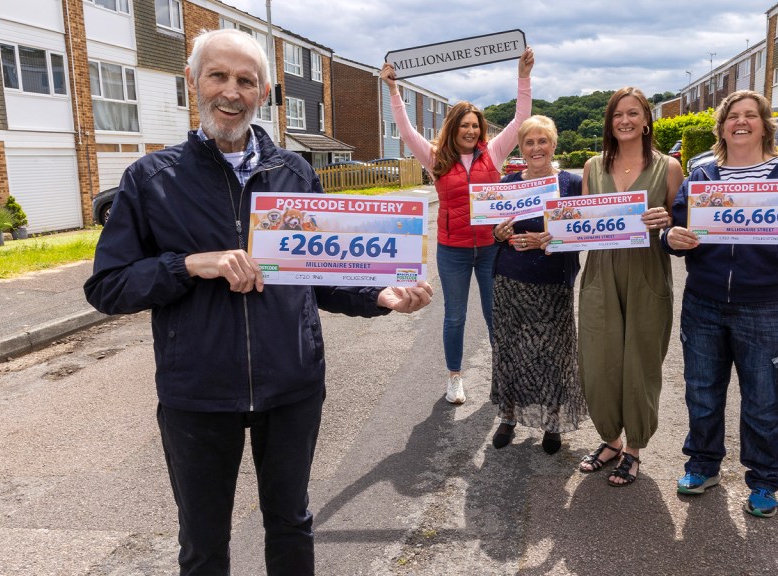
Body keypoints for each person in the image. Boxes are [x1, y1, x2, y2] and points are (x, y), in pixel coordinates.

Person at [83, 29, 433, 575]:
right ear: (192, 82)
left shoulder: (294, 173)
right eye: (218, 76)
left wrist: (379, 295)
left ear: (264, 92)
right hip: (197, 393)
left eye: (246, 81)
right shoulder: (151, 180)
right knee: (203, 544)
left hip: (291, 387)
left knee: (291, 525)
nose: (231, 91)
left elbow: (322, 273)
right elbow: (107, 287)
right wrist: (189, 264)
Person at [662, 90, 778, 518]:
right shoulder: (701, 175)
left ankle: (763, 481)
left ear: (764, 125)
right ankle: (702, 465)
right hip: (703, 302)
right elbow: (680, 231)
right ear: (721, 127)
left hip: (768, 305)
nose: (741, 122)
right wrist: (671, 238)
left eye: (750, 116)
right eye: (733, 116)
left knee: (763, 399)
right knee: (701, 393)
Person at [380, 48, 534, 405]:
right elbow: (405, 131)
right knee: (454, 317)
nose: (470, 130)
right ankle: (454, 377)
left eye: (474, 125)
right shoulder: (436, 159)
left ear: (481, 129)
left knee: (497, 315)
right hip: (453, 252)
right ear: (454, 128)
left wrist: (523, 76)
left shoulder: (494, 153)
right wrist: (392, 91)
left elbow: (520, 117)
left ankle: (504, 376)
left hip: (492, 249)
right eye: (463, 125)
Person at [575, 87, 683, 487]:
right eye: (618, 114)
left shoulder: (668, 167)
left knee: (640, 362)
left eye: (633, 113)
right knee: (600, 361)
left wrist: (666, 220)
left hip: (646, 273)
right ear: (610, 121)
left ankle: (634, 449)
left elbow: (683, 226)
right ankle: (610, 441)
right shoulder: (591, 166)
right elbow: (580, 225)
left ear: (646, 119)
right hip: (601, 273)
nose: (625, 120)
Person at [489, 115, 587, 454]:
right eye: (529, 142)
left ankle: (553, 422)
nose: (536, 148)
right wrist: (498, 234)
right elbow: (494, 230)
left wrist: (552, 239)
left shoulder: (572, 184)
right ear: (521, 147)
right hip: (510, 278)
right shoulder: (508, 183)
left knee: (553, 354)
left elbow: (584, 233)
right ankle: (508, 416)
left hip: (552, 281)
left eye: (542, 141)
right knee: (511, 350)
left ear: (554, 144)